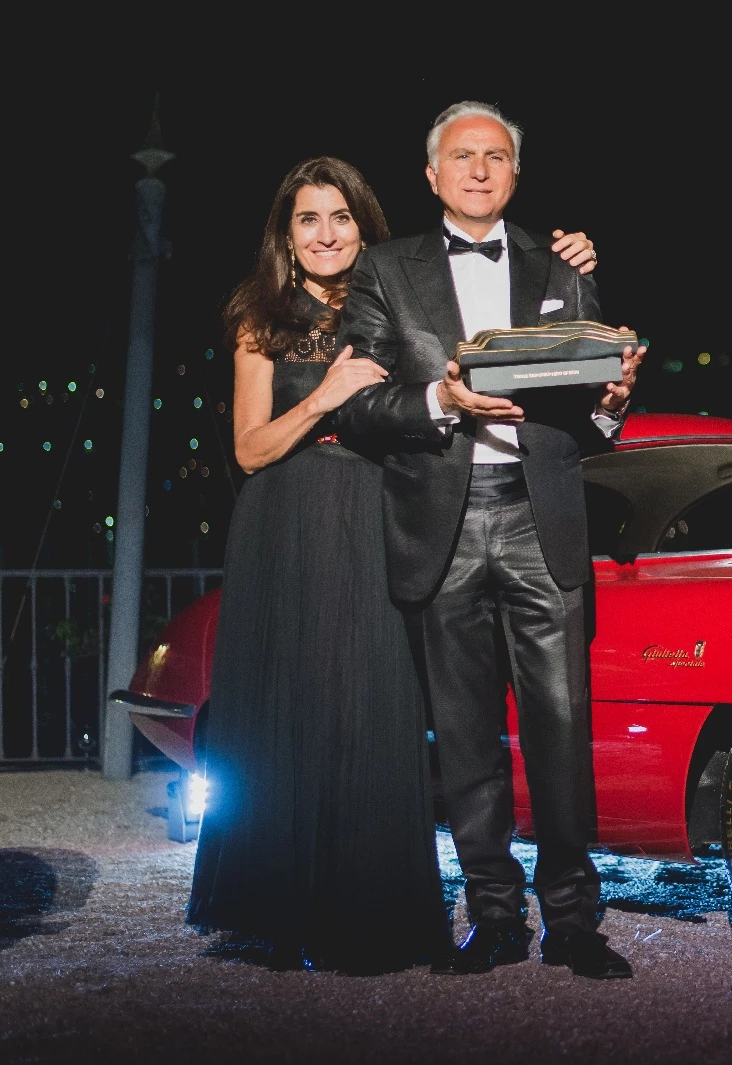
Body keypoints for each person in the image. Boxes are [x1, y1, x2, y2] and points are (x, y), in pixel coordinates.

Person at [187, 154, 600, 974]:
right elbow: (247, 447)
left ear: (364, 227)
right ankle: (284, 908)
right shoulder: (259, 316)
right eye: (308, 219)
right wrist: (324, 396)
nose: (326, 233)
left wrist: (573, 266)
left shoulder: (399, 292)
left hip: (384, 513)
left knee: (376, 713)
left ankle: (370, 911)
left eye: (340, 217)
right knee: (290, 713)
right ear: (287, 235)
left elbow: (503, 347)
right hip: (290, 521)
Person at [334, 101, 645, 980]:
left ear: (515, 173)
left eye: (496, 156)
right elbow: (356, 402)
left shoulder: (564, 264)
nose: (479, 169)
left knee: (561, 729)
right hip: (442, 523)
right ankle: (495, 917)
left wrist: (614, 401)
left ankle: (576, 923)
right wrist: (441, 402)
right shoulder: (385, 271)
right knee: (465, 739)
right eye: (462, 157)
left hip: (541, 515)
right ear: (432, 175)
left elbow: (590, 407)